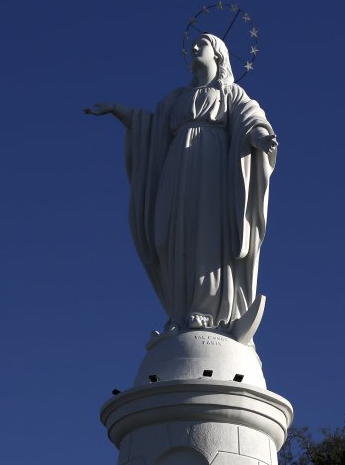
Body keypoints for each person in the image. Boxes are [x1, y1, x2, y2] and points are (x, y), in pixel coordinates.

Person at [85, 33, 278, 335]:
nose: (195, 48)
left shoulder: (230, 93)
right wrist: (118, 110)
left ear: (217, 53)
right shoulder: (176, 99)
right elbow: (151, 128)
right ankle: (181, 310)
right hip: (177, 168)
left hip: (212, 168)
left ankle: (206, 310)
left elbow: (250, 119)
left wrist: (259, 137)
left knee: (206, 234)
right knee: (171, 235)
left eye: (202, 43)